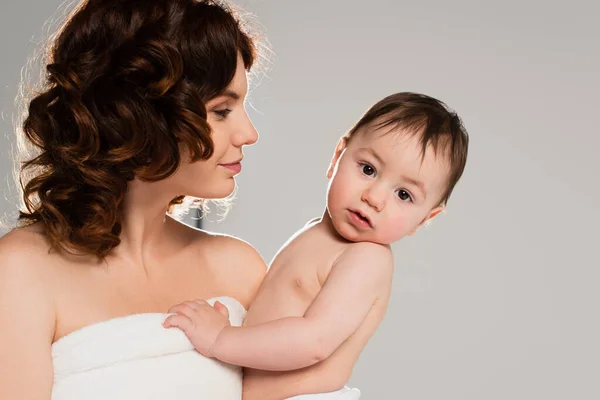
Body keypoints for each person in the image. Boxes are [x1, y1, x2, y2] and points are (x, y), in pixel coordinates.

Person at [0, 1, 268, 399]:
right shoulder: (22, 271)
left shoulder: (240, 270)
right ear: (139, 114)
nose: (249, 133)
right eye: (222, 110)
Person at [164, 92, 470, 400]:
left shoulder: (367, 259)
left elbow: (314, 341)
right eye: (368, 169)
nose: (374, 198)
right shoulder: (315, 233)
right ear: (338, 156)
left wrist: (221, 339)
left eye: (403, 195)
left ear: (424, 219)